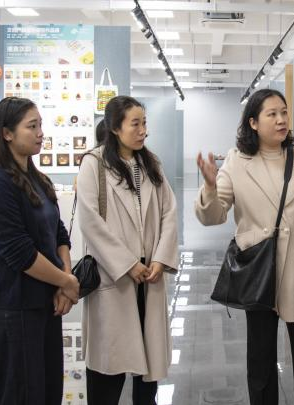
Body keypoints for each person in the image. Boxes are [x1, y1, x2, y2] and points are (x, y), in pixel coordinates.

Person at [194, 88, 294, 405]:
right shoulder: (237, 162)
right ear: (253, 122)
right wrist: (210, 187)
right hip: (259, 270)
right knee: (261, 359)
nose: (281, 120)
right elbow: (213, 216)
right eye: (272, 114)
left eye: (284, 112)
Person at [0, 97, 80, 405]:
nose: (40, 133)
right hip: (15, 309)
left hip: (46, 303)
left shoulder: (37, 179)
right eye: (32, 126)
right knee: (21, 394)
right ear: (7, 133)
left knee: (48, 391)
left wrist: (64, 279)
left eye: (40, 125)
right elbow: (19, 252)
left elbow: (59, 232)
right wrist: (66, 281)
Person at [77, 96, 179, 405]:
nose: (143, 130)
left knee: (147, 368)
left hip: (149, 276)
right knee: (110, 364)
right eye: (135, 124)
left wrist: (160, 258)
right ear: (114, 127)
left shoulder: (151, 163)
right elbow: (90, 221)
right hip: (115, 276)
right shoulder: (94, 164)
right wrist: (127, 263)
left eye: (144, 123)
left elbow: (169, 212)